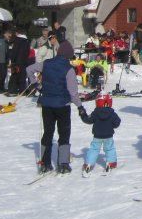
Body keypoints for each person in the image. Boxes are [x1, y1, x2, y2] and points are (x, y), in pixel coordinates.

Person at [27, 40, 79, 173]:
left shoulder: (47, 64)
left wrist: (36, 85)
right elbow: (73, 93)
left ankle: (45, 163)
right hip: (63, 105)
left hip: (47, 105)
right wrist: (80, 107)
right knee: (64, 134)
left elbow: (29, 69)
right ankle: (63, 164)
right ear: (68, 55)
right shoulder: (69, 69)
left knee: (48, 133)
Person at [78, 93, 122, 172]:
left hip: (97, 136)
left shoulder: (95, 113)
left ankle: (89, 164)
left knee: (94, 149)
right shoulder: (112, 114)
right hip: (108, 136)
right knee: (109, 149)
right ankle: (111, 162)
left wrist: (83, 114)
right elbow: (117, 123)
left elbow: (88, 120)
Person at [7, 28, 31, 94]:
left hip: (17, 61)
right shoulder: (27, 41)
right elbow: (28, 52)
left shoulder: (17, 40)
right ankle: (22, 90)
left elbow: (14, 51)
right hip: (24, 61)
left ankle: (13, 90)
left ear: (18, 33)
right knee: (22, 76)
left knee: (14, 76)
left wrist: (12, 60)